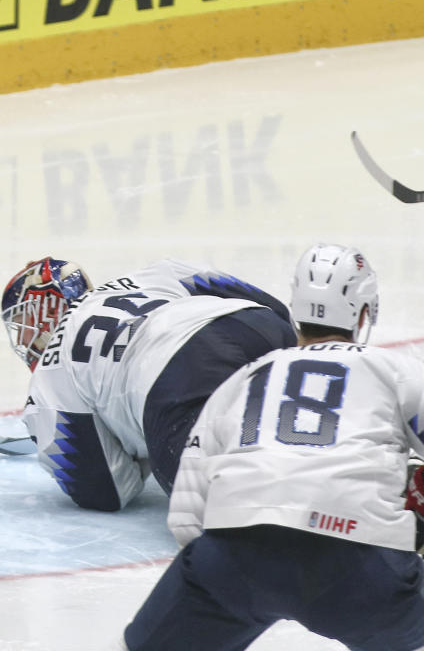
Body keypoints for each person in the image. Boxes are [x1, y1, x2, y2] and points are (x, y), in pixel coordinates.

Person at [123, 243, 424, 650]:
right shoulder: (394, 369)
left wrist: (224, 576)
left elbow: (187, 515)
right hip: (357, 561)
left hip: (236, 554)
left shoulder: (243, 378)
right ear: (365, 313)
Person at [0, 256, 297, 511]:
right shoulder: (153, 274)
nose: (22, 340)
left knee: (224, 510)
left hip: (179, 373)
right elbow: (271, 307)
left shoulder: (52, 371)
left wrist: (142, 441)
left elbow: (105, 491)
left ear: (48, 310)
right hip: (256, 325)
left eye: (21, 323)